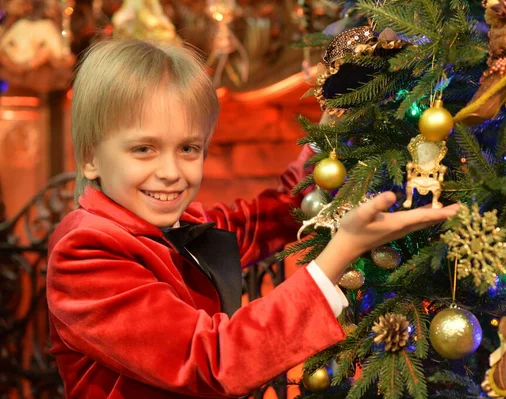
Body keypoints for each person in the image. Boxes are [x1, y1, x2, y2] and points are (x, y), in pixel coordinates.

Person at [46, 39, 459, 399]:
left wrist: (328, 137)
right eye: (144, 150)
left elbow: (271, 215)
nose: (171, 171)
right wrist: (341, 252)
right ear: (90, 158)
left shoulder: (176, 225)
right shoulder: (84, 252)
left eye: (188, 148)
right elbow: (214, 360)